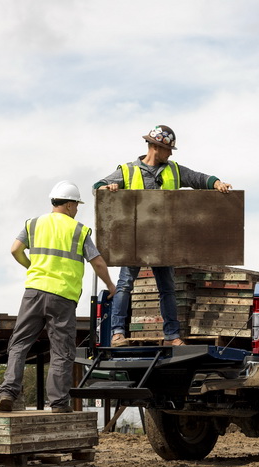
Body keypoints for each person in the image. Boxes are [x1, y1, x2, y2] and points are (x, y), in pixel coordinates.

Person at [93, 124, 235, 347]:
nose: (170, 153)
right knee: (125, 285)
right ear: (156, 147)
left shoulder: (174, 171)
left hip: (163, 241)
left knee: (167, 288)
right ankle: (118, 333)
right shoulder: (127, 171)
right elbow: (98, 186)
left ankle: (172, 336)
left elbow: (198, 178)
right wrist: (106, 189)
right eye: (168, 149)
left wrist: (217, 183)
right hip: (135, 239)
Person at [0, 181, 115, 413]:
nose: (77, 209)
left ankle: (8, 392)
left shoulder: (34, 224)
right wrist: (111, 285)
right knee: (61, 350)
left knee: (19, 343)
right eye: (77, 205)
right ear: (70, 205)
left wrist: (32, 266)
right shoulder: (78, 230)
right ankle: (59, 403)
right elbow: (97, 261)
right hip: (62, 296)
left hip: (34, 292)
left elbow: (15, 249)